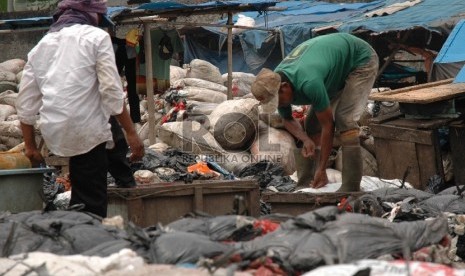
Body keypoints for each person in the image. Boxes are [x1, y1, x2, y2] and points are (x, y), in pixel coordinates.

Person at [16, 0, 145, 217]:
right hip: (85, 127)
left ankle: (123, 180)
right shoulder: (97, 38)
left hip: (56, 129)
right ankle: (86, 237)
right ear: (91, 15)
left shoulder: (42, 45)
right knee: (90, 202)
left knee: (100, 151)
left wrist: (30, 146)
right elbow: (112, 93)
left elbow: (26, 102)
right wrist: (132, 133)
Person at [251, 33, 379, 192]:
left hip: (361, 60)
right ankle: (309, 180)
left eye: (278, 101)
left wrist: (323, 168)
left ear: (284, 87)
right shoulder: (275, 81)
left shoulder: (309, 82)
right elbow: (287, 119)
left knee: (344, 119)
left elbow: (328, 126)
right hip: (333, 68)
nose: (279, 105)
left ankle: (351, 186)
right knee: (312, 123)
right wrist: (305, 140)